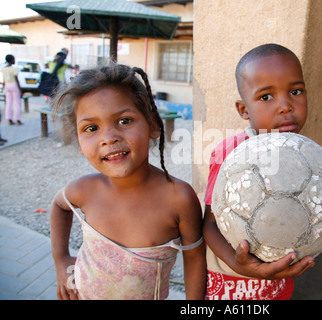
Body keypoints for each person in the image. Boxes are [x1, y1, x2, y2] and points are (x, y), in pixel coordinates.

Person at [50, 64, 206, 300]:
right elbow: (59, 206)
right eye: (91, 128)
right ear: (80, 144)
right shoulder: (84, 189)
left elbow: (194, 259)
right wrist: (61, 259)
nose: (109, 138)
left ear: (153, 124)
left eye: (124, 121)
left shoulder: (179, 198)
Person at [203, 44, 315, 300]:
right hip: (232, 281)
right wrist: (236, 261)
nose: (285, 106)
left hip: (278, 280)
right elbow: (209, 223)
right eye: (266, 97)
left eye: (295, 92)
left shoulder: (305, 156)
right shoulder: (231, 154)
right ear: (244, 110)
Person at [1, 54, 22, 125]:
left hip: (7, 85)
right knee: (17, 103)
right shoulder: (14, 69)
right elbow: (17, 79)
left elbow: (4, 80)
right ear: (11, 60)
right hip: (13, 85)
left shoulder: (3, 69)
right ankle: (18, 119)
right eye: (13, 59)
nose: (14, 61)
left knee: (8, 103)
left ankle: (9, 119)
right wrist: (20, 89)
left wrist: (4, 88)